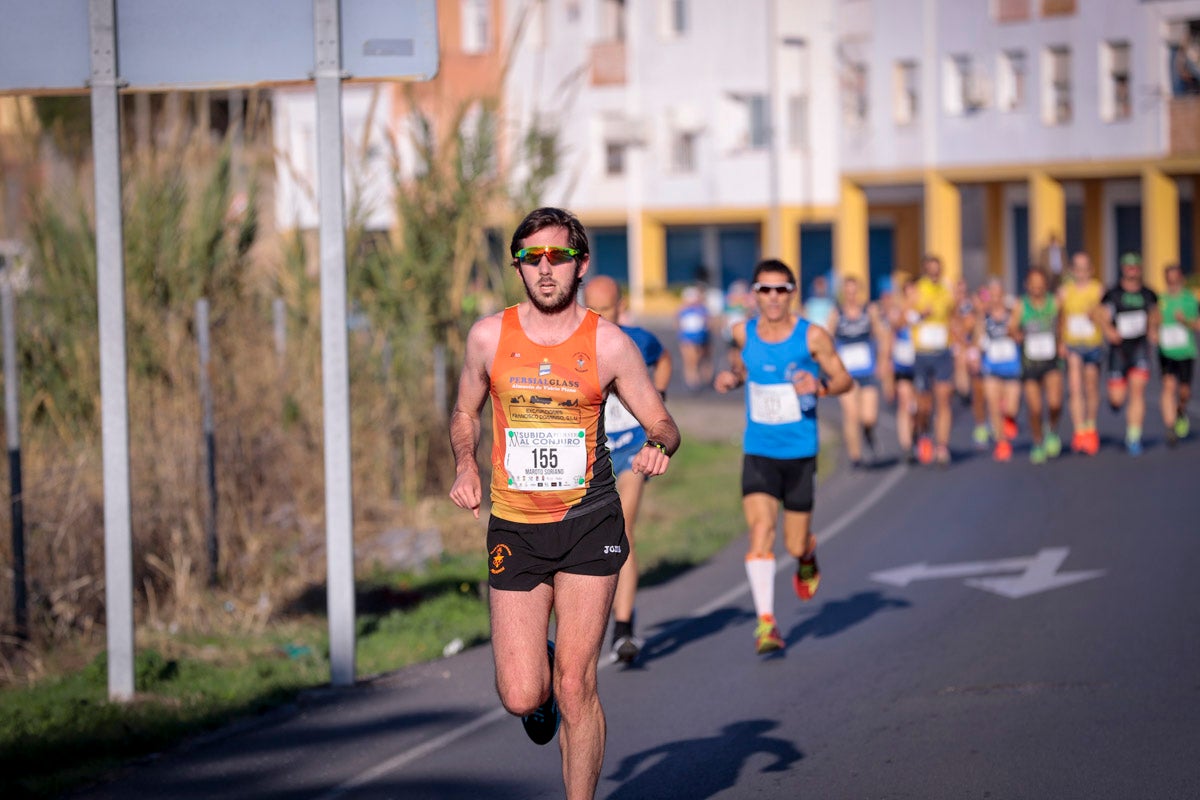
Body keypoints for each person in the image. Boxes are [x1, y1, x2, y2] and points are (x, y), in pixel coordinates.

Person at [449, 207, 680, 800]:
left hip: (588, 522)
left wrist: (657, 445)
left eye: (558, 256)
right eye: (532, 258)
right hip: (515, 526)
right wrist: (465, 464)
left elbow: (662, 422)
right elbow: (465, 412)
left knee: (577, 685)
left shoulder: (610, 343)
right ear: (518, 267)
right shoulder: (488, 337)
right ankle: (542, 669)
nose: (545, 269)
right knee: (521, 693)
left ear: (580, 264)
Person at [713, 259, 853, 655]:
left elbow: (845, 380)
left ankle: (807, 553)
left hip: (799, 453)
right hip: (759, 449)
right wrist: (732, 378)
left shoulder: (813, 337)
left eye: (781, 289)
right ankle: (766, 623)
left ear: (792, 293)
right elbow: (742, 365)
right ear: (754, 294)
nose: (773, 297)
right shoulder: (742, 332)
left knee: (793, 545)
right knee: (761, 531)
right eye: (765, 289)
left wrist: (819, 386)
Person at [582, 275, 673, 663]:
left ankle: (622, 630)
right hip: (593, 452)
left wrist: (659, 396)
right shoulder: (576, 342)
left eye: (605, 309)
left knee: (623, 528)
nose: (599, 316)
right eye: (592, 309)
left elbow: (664, 359)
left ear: (621, 307)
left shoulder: (636, 340)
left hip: (633, 448)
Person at [825, 275, 888, 468]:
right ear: (843, 294)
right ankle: (855, 457)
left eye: (854, 292)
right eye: (848, 293)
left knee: (869, 417)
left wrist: (883, 362)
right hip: (847, 374)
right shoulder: (836, 314)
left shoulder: (869, 311)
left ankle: (868, 433)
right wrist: (832, 367)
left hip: (867, 371)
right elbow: (826, 340)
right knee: (851, 414)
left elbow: (882, 336)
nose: (851, 296)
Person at [1100, 252, 1160, 456]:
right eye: (1128, 266)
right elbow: (1100, 314)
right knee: (1117, 399)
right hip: (1119, 350)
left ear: (1140, 269)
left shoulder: (1148, 293)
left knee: (1137, 392)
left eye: (1135, 266)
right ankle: (1115, 403)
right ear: (1123, 268)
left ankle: (1134, 437)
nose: (1132, 270)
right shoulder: (1113, 293)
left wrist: (1153, 329)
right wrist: (1109, 330)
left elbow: (1154, 313)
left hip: (1139, 347)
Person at [1008, 267, 1064, 464]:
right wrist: (1016, 334)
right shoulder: (1021, 305)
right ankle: (1038, 441)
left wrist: (1062, 341)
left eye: (1040, 284)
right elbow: (1011, 327)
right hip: (1030, 361)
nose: (1037, 288)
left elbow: (1062, 322)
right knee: (1035, 408)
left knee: (1055, 403)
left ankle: (1052, 430)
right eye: (1033, 284)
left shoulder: (1054, 302)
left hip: (1051, 360)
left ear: (1045, 285)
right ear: (1027, 285)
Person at [905, 254, 956, 466]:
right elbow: (906, 317)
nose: (935, 274)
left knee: (944, 400)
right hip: (923, 353)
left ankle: (942, 447)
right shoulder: (917, 290)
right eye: (931, 270)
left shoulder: (947, 290)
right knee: (924, 406)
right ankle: (923, 434)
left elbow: (953, 316)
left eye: (938, 270)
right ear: (926, 271)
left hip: (942, 351)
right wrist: (921, 315)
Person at [1059, 251, 1106, 455]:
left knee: (1091, 386)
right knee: (1075, 386)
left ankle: (1090, 426)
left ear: (1091, 269)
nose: (1081, 272)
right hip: (1073, 343)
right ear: (1072, 270)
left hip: (1093, 343)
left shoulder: (1098, 290)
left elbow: (1105, 316)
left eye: (1085, 268)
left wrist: (1095, 315)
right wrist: (1061, 341)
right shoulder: (1065, 292)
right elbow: (1061, 318)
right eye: (1077, 268)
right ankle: (1079, 431)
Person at [977, 278, 1021, 461]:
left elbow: (1019, 334)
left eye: (998, 294)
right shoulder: (984, 317)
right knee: (994, 406)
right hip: (991, 367)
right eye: (992, 295)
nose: (995, 298)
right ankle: (1001, 442)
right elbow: (978, 339)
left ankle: (1009, 419)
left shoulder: (1012, 314)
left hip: (1011, 368)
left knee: (1011, 408)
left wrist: (1014, 332)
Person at [1157, 263, 1200, 446]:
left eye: (1175, 279)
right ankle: (1170, 427)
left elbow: (1197, 325)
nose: (1173, 283)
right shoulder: (1160, 300)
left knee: (1184, 392)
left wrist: (1185, 321)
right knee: (1168, 387)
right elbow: (1152, 321)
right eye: (1169, 280)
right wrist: (1153, 327)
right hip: (1166, 350)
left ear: (1181, 278)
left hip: (1185, 351)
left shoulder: (1190, 299)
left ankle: (1180, 411)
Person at [884, 277, 918, 463]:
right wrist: (886, 362)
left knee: (918, 406)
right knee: (905, 402)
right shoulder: (898, 311)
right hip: (903, 363)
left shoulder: (925, 309)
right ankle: (906, 446)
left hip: (921, 361)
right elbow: (895, 328)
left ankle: (918, 433)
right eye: (909, 292)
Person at [677, 284, 712, 392]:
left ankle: (704, 379)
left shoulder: (702, 309)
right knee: (690, 361)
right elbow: (678, 323)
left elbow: (708, 322)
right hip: (687, 339)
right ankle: (693, 382)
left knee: (701, 359)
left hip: (701, 338)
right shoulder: (683, 310)